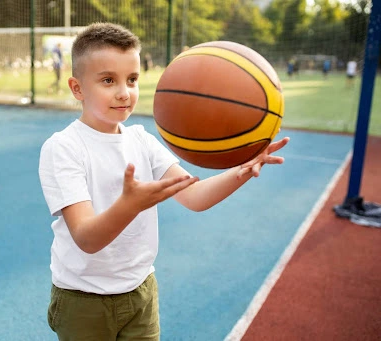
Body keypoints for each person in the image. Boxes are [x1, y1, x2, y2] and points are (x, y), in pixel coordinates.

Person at [38, 22, 289, 340]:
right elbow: (87, 239)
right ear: (77, 88)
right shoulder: (63, 148)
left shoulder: (141, 140)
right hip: (83, 300)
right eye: (108, 80)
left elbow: (194, 196)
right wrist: (129, 206)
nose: (124, 92)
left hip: (141, 290)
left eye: (132, 79)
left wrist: (244, 168)